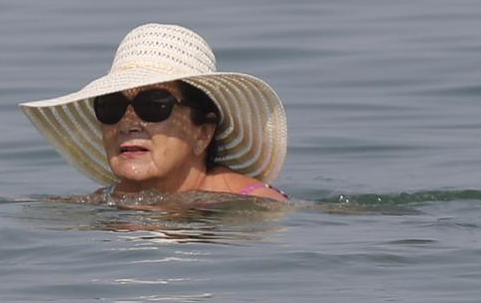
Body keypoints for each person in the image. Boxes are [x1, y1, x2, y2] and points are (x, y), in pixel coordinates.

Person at [19, 22, 289, 201]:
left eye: (154, 105)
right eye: (111, 106)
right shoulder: (100, 204)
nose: (128, 123)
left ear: (203, 133)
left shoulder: (256, 205)